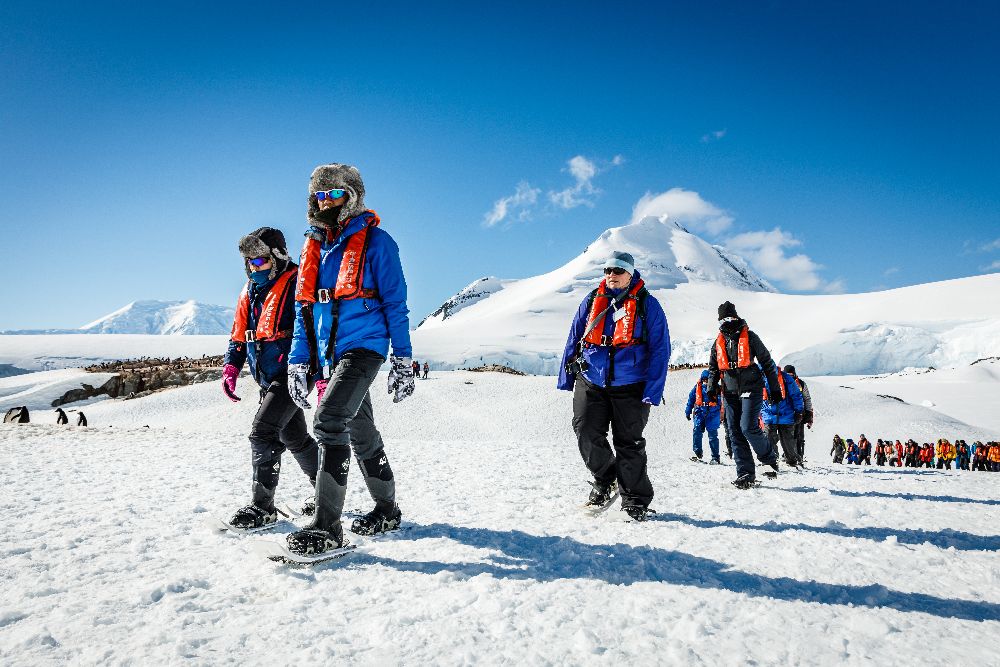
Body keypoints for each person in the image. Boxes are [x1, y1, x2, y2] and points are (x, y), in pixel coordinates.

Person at [285, 163, 414, 556]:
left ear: (352, 197)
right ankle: (387, 509)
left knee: (328, 419)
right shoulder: (314, 248)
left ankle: (328, 529)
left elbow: (396, 303)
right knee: (360, 431)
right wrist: (297, 361)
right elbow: (304, 313)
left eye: (334, 194)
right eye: (320, 195)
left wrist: (403, 359)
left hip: (366, 346)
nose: (326, 202)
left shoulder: (378, 243)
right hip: (332, 353)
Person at [557, 251, 670, 520]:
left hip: (631, 385)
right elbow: (574, 335)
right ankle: (606, 479)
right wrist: (566, 377)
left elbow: (660, 349)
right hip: (592, 378)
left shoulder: (648, 305)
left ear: (630, 274)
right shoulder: (592, 300)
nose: (611, 275)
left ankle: (635, 499)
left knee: (628, 442)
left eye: (618, 271)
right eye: (608, 270)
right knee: (584, 430)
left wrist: (653, 391)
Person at [222, 227, 319, 530]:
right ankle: (326, 491)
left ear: (277, 257)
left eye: (261, 261)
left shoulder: (296, 284)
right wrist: (231, 367)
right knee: (293, 437)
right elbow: (241, 336)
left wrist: (313, 373)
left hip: (291, 372)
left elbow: (311, 331)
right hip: (266, 377)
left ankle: (262, 508)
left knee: (262, 433)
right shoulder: (250, 291)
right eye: (250, 262)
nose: (254, 267)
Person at [706, 301, 782, 489]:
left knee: (748, 427)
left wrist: (774, 388)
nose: (727, 321)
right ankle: (745, 474)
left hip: (751, 386)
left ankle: (768, 459)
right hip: (729, 391)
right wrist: (710, 389)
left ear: (736, 316)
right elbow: (713, 368)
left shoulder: (751, 337)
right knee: (734, 432)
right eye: (723, 319)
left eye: (730, 317)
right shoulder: (718, 342)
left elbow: (767, 362)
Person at [760, 366, 805, 468]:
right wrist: (798, 411)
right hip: (781, 415)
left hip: (773, 415)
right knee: (784, 440)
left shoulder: (762, 377)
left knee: (773, 440)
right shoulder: (786, 378)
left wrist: (799, 411)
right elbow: (797, 395)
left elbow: (757, 397)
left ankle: (781, 461)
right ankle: (785, 462)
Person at [685, 370, 722, 464]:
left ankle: (715, 457)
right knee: (697, 430)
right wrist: (688, 411)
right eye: (704, 379)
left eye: (707, 379)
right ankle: (697, 453)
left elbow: (723, 401)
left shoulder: (717, 388)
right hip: (700, 413)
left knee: (713, 436)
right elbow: (691, 399)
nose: (705, 381)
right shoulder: (697, 387)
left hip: (713, 414)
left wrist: (722, 414)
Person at [783, 365, 813, 461]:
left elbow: (807, 399)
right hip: (786, 414)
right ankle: (788, 455)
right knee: (787, 436)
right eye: (788, 375)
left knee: (799, 436)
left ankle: (799, 456)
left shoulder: (801, 384)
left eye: (791, 375)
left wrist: (809, 413)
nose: (790, 377)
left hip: (799, 413)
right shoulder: (780, 383)